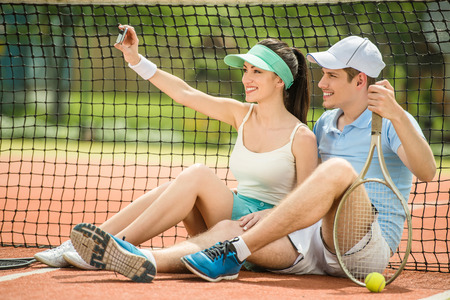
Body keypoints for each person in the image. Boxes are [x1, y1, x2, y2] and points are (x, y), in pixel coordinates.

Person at [34, 25, 318, 271]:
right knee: (171, 187)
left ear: (279, 80)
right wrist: (135, 60)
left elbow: (307, 205)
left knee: (198, 174)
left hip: (267, 233)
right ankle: (78, 244)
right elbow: (185, 93)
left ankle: (111, 248)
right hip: (232, 217)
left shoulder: (301, 137)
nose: (246, 78)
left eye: (257, 71)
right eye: (245, 70)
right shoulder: (240, 114)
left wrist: (268, 215)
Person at [178, 36, 436, 282]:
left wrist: (398, 115)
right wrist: (266, 210)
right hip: (317, 242)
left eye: (331, 75)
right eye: (323, 74)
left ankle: (236, 252)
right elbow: (307, 187)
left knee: (338, 170)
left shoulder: (392, 122)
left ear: (359, 81)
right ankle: (147, 256)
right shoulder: (325, 123)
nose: (322, 83)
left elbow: (426, 171)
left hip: (366, 249)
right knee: (226, 230)